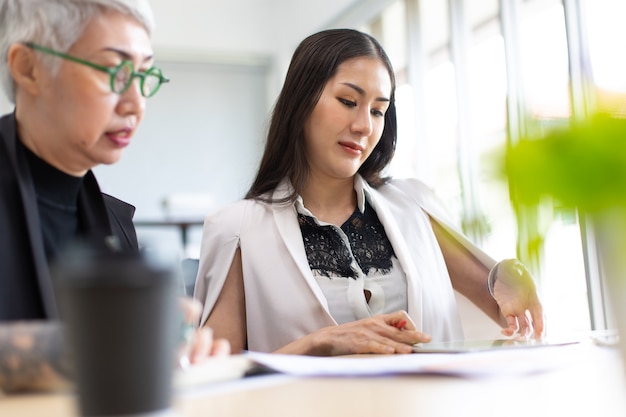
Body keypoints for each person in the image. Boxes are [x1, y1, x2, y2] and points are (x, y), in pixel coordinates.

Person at [194, 28, 544, 356]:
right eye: (348, 101)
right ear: (301, 102)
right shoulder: (238, 229)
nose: (364, 126)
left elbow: (494, 297)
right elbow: (217, 375)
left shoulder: (414, 206)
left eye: (378, 110)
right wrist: (318, 344)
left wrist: (509, 278)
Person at [0, 0, 228, 393]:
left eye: (143, 75)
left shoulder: (117, 224)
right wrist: (124, 346)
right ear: (28, 68)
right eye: (113, 71)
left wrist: (173, 347)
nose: (136, 104)